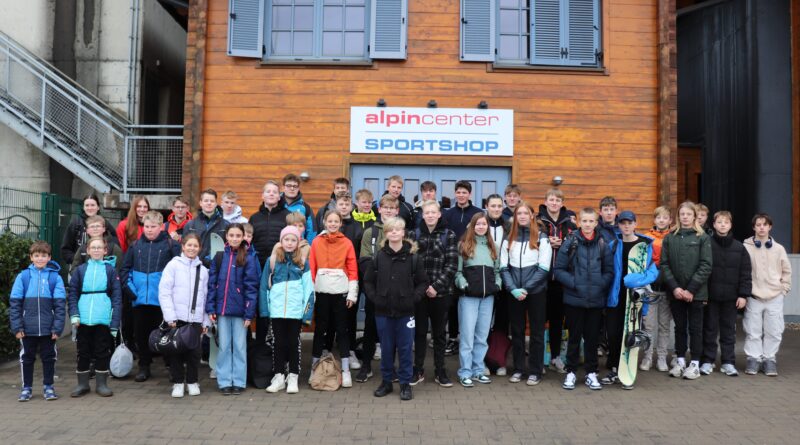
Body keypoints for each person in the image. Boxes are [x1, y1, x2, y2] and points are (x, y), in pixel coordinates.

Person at [363, 217, 428, 401]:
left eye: (397, 230)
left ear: (403, 233)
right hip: (383, 312)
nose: (394, 233)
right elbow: (368, 281)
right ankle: (386, 382)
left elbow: (423, 282)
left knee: (406, 348)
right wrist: (376, 299)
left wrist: (413, 299)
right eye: (390, 230)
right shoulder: (379, 257)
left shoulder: (413, 258)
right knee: (386, 347)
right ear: (386, 233)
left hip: (406, 313)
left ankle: (406, 384)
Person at [554, 208, 614, 391]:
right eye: (584, 221)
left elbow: (609, 271)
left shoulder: (603, 243)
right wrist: (575, 283)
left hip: (596, 300)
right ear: (579, 222)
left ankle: (591, 373)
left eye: (591, 221)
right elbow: (559, 269)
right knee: (574, 337)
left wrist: (599, 284)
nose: (587, 224)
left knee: (592, 338)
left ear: (596, 223)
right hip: (574, 299)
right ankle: (571, 372)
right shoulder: (570, 241)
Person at [600, 210, 659, 388]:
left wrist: (636, 280)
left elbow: (653, 271)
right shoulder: (613, 245)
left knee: (630, 333)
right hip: (615, 296)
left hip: (634, 298)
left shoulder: (645, 245)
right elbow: (606, 269)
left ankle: (626, 370)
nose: (626, 226)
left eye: (629, 223)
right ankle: (614, 369)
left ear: (635, 224)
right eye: (623, 223)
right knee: (613, 334)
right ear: (619, 225)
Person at [120, 211, 181, 382]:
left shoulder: (171, 245)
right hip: (139, 301)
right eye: (146, 226)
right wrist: (132, 292)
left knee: (167, 335)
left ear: (161, 226)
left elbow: (178, 273)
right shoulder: (135, 246)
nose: (149, 230)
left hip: (163, 301)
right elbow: (125, 271)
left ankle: (171, 366)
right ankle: (144, 366)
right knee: (141, 335)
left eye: (153, 227)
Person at [500, 202, 552, 386]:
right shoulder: (509, 238)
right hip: (514, 293)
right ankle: (519, 369)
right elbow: (503, 267)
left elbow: (544, 267)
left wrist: (526, 289)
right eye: (519, 213)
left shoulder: (541, 237)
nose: (522, 216)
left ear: (532, 215)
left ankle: (535, 371)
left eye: (525, 213)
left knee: (537, 332)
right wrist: (513, 289)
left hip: (536, 292)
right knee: (517, 332)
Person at [660, 201, 713, 380]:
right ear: (678, 216)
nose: (685, 217)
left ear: (694, 216)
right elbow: (664, 264)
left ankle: (695, 364)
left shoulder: (702, 237)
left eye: (688, 214)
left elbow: (706, 265)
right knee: (680, 328)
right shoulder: (670, 237)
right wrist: (675, 288)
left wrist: (691, 289)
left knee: (696, 329)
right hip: (676, 293)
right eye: (682, 214)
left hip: (696, 294)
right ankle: (681, 361)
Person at [9, 241, 66, 402]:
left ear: (49, 257)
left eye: (43, 256)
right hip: (27, 328)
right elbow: (15, 304)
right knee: (27, 358)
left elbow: (60, 306)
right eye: (36, 256)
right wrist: (17, 327)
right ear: (31, 257)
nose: (40, 259)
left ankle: (49, 386)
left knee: (49, 357)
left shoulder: (55, 278)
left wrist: (57, 327)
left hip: (49, 329)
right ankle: (26, 388)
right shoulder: (23, 277)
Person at [206, 223, 259, 395]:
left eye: (238, 235)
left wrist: (249, 313)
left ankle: (238, 381)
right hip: (221, 310)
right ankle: (224, 381)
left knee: (239, 346)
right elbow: (212, 285)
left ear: (243, 237)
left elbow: (252, 287)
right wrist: (211, 308)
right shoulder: (220, 257)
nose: (235, 238)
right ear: (226, 237)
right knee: (224, 346)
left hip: (240, 312)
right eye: (231, 235)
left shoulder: (249, 258)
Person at [411, 200, 458, 387]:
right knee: (419, 333)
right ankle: (418, 369)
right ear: (422, 215)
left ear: (439, 214)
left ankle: (440, 371)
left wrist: (436, 286)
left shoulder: (449, 235)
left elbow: (452, 264)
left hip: (441, 294)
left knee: (439, 335)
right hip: (420, 295)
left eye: (433, 212)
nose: (430, 215)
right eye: (427, 212)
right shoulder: (413, 234)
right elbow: (410, 265)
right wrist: (423, 288)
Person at [309, 210, 359, 387]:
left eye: (336, 221)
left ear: (340, 223)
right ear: (324, 222)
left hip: (341, 294)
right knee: (320, 330)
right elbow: (312, 268)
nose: (332, 224)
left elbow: (352, 268)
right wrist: (312, 294)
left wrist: (352, 293)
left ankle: (345, 371)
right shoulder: (316, 242)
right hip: (322, 293)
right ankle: (314, 369)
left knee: (342, 330)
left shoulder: (346, 243)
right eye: (329, 221)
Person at [68, 237, 122, 397]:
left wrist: (114, 322)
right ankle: (82, 384)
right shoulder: (80, 270)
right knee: (83, 352)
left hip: (103, 318)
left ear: (105, 251)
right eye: (94, 248)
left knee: (102, 352)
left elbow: (117, 298)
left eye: (100, 248)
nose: (97, 250)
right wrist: (74, 315)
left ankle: (101, 384)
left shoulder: (110, 271)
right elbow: (72, 294)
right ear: (88, 250)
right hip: (82, 319)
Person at [158, 233, 211, 398]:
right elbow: (164, 292)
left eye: (195, 246)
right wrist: (170, 316)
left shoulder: (203, 271)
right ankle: (178, 382)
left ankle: (193, 381)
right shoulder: (173, 266)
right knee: (176, 352)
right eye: (189, 245)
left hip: (195, 319)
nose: (192, 248)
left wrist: (205, 320)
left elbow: (206, 296)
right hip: (176, 318)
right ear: (183, 246)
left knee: (194, 353)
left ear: (200, 248)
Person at [263, 226, 314, 394]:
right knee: (278, 344)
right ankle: (278, 377)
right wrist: (265, 310)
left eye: (293, 240)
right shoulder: (271, 261)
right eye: (286, 239)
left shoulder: (303, 263)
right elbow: (264, 288)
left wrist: (306, 314)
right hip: (277, 311)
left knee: (293, 344)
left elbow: (309, 290)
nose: (290, 243)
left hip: (295, 312)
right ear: (281, 241)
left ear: (298, 243)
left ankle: (293, 376)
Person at [355, 194, 401, 383]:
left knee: (392, 331)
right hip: (375, 291)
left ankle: (390, 368)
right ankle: (366, 366)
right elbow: (365, 262)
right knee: (370, 329)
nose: (389, 211)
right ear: (379, 210)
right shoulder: (370, 233)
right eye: (385, 207)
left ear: (397, 211)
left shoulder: (401, 232)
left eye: (392, 208)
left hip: (396, 292)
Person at [701, 211, 752, 377]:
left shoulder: (739, 248)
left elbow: (745, 273)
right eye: (719, 222)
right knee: (709, 330)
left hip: (731, 298)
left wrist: (743, 295)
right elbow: (702, 270)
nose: (722, 225)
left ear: (730, 225)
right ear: (714, 225)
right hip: (711, 297)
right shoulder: (706, 244)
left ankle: (728, 362)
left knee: (729, 331)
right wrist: (703, 294)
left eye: (726, 222)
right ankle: (707, 361)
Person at [454, 213, 501, 387]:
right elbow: (458, 273)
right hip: (468, 299)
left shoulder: (493, 246)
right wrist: (465, 286)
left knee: (482, 336)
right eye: (477, 224)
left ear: (488, 226)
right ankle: (465, 371)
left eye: (484, 224)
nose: (481, 227)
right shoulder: (464, 246)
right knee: (467, 336)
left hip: (487, 299)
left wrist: (497, 285)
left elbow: (497, 272)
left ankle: (478, 370)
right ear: (472, 226)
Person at [742, 213, 792, 376]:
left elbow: (787, 271)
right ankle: (754, 359)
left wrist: (783, 289)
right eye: (758, 224)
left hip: (774, 296)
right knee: (753, 329)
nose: (761, 227)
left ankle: (769, 359)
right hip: (754, 296)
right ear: (754, 227)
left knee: (774, 330)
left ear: (770, 227)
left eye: (765, 224)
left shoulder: (779, 249)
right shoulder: (746, 247)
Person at [537, 188, 577, 374]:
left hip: (560, 282)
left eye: (557, 200)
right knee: (538, 320)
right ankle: (538, 360)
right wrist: (545, 243)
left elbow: (577, 250)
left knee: (556, 321)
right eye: (551, 200)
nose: (554, 203)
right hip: (540, 279)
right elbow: (529, 244)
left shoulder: (570, 225)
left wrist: (564, 245)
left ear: (562, 203)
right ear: (546, 201)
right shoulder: (537, 222)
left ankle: (555, 357)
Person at [443, 180, 483, 355]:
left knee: (469, 302)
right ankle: (453, 338)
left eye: (464, 192)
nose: (461, 195)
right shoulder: (448, 213)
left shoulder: (477, 213)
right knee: (452, 303)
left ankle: (470, 338)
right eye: (458, 192)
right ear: (455, 194)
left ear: (470, 194)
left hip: (472, 262)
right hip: (453, 261)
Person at [641, 205, 674, 372]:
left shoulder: (674, 237)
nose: (661, 220)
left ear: (670, 220)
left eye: (665, 217)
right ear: (654, 219)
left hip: (667, 287)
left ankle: (661, 358)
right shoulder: (646, 238)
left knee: (664, 325)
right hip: (650, 287)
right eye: (658, 217)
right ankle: (647, 357)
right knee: (648, 325)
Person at [335, 192, 364, 370]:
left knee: (350, 316)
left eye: (347, 204)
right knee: (331, 318)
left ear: (351, 207)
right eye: (341, 204)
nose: (344, 207)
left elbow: (359, 256)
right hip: (332, 280)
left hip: (351, 278)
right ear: (336, 205)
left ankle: (351, 350)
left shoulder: (357, 229)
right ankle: (328, 351)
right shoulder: (332, 224)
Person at [485, 193, 511, 375]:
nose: (495, 209)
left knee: (502, 322)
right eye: (492, 205)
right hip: (485, 279)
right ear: (486, 206)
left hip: (505, 280)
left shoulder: (509, 225)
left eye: (498, 206)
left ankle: (499, 361)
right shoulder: (478, 223)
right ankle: (483, 362)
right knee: (484, 324)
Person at [61, 193, 118, 266]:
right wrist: (77, 261)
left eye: (92, 205)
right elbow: (66, 249)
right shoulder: (75, 223)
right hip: (79, 267)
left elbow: (114, 242)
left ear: (98, 207)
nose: (90, 208)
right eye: (87, 205)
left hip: (102, 267)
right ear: (83, 207)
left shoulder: (105, 223)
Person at [182, 189, 230, 266]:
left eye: (212, 201)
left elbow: (229, 248)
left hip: (217, 267)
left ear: (216, 203)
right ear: (200, 203)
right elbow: (184, 248)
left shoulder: (226, 225)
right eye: (206, 200)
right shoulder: (190, 225)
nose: (209, 203)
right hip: (195, 266)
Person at [282, 174, 317, 241]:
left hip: (300, 248)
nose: (292, 188)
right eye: (289, 186)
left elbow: (312, 231)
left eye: (295, 186)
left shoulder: (306, 208)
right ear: (283, 187)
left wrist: (307, 249)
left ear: (298, 188)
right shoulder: (276, 205)